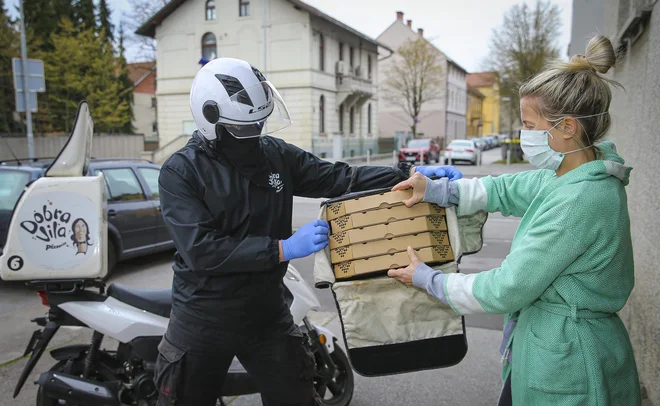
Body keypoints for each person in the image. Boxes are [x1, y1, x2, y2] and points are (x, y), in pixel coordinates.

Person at [154, 57, 460, 406]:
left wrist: (408, 172)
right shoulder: (181, 172)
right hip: (203, 316)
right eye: (243, 129)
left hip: (267, 312)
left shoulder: (274, 155)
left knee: (296, 395)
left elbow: (339, 177)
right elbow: (201, 250)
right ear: (211, 121)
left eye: (260, 124)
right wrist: (282, 249)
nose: (254, 136)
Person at [388, 35, 641, 405]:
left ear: (567, 127)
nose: (523, 135)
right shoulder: (571, 172)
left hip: (571, 360)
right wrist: (439, 190)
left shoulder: (580, 199)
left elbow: (508, 288)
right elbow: (507, 189)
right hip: (554, 344)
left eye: (529, 124)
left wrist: (431, 280)